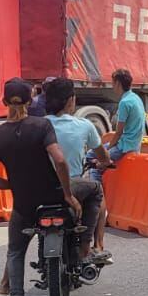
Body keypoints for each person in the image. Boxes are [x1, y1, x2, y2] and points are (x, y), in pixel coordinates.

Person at [0, 77, 81, 296]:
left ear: (4, 101)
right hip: (54, 197)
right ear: (30, 100)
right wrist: (69, 195)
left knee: (15, 251)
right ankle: (86, 251)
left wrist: (13, 184)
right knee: (94, 192)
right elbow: (59, 161)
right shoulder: (42, 126)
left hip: (25, 206)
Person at [44, 77, 112, 264]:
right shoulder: (84, 125)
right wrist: (105, 162)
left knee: (18, 242)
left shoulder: (37, 125)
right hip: (72, 186)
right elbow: (103, 156)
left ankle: (7, 282)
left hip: (40, 188)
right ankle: (86, 247)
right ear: (70, 100)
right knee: (96, 190)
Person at [102, 68, 146, 165]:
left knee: (94, 160)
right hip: (134, 145)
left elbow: (118, 133)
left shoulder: (124, 102)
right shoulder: (136, 98)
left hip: (124, 147)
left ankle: (95, 179)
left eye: (112, 83)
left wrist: (107, 150)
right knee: (96, 152)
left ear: (117, 83)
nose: (112, 86)